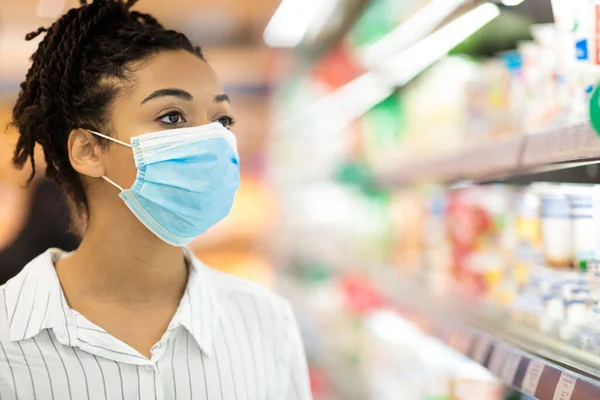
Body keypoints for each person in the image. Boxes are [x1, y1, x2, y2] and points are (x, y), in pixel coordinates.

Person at [0, 1, 313, 399]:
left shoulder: (267, 322)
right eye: (172, 116)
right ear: (89, 150)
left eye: (221, 121)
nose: (212, 140)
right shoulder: (8, 339)